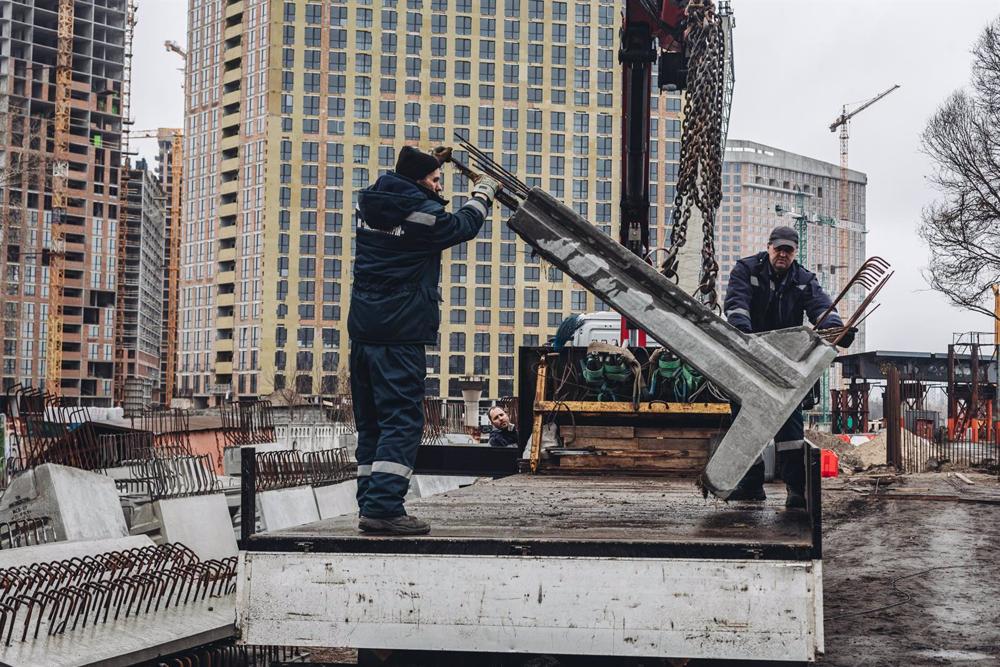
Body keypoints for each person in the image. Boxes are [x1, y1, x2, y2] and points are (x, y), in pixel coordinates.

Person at [349, 145, 500, 535]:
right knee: (402, 420)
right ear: (419, 183)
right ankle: (383, 507)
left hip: (365, 331)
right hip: (400, 333)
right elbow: (460, 226)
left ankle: (370, 502)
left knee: (373, 424)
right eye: (435, 180)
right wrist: (483, 193)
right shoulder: (420, 215)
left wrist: (428, 162)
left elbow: (405, 196)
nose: (439, 187)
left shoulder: (372, 204)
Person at [723, 225, 855, 508]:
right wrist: (746, 336)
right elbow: (736, 304)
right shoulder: (746, 270)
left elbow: (821, 308)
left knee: (791, 431)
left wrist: (836, 330)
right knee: (745, 426)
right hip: (749, 359)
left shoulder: (803, 279)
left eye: (788, 250)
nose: (782, 254)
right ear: (769, 247)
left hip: (784, 362)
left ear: (795, 252)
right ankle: (750, 484)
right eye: (778, 248)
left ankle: (796, 490)